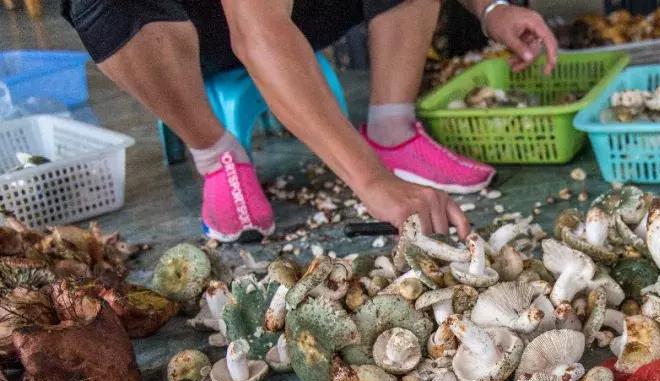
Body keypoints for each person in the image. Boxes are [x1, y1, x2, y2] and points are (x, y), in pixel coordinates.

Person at [61, 0, 558, 242]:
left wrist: (490, 9)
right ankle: (213, 151)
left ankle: (393, 127)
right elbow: (257, 29)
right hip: (172, 25)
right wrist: (372, 181)